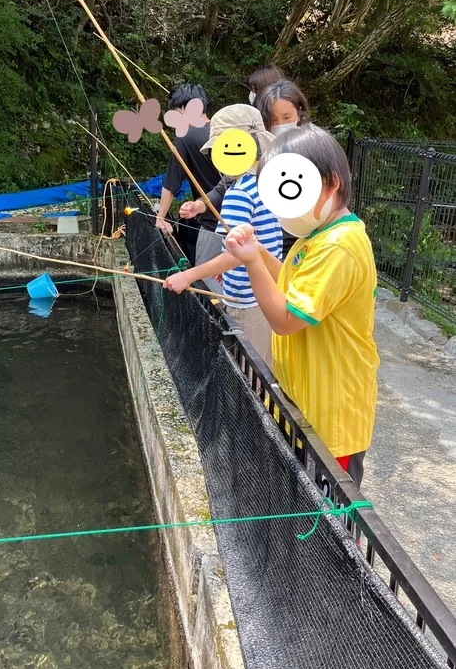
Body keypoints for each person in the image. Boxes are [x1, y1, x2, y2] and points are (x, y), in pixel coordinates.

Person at [224, 125, 379, 487]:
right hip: (308, 407)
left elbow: (286, 317)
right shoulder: (317, 236)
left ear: (331, 182)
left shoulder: (338, 245)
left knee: (327, 527)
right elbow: (290, 287)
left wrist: (250, 262)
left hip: (331, 417)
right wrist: (259, 251)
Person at [164, 105, 282, 368]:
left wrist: (187, 276)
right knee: (268, 368)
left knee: (254, 374)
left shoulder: (238, 193)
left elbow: (235, 253)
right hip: (270, 292)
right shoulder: (267, 184)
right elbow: (253, 244)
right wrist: (225, 268)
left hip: (249, 301)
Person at [156, 84, 222, 265]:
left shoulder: (185, 137)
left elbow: (171, 183)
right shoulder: (224, 129)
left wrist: (160, 217)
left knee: (207, 281)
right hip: (240, 219)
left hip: (211, 224)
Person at [255, 79, 311, 258]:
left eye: (287, 118)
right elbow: (228, 183)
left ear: (300, 113)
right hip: (265, 242)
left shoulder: (314, 146)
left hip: (304, 241)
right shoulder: (257, 149)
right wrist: (201, 204)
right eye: (272, 120)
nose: (280, 125)